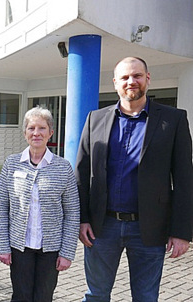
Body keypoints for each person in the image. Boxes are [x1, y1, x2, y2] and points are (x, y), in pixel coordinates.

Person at [75, 56, 193, 301]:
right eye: (125, 77)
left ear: (148, 79)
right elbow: (81, 174)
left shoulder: (173, 120)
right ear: (115, 83)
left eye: (137, 75)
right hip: (102, 227)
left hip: (149, 228)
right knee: (96, 295)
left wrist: (182, 232)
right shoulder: (94, 119)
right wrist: (82, 219)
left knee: (146, 296)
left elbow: (184, 179)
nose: (132, 81)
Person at [0, 107, 80, 302]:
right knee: (21, 296)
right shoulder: (11, 164)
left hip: (50, 250)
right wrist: (3, 246)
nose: (36, 133)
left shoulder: (63, 167)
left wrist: (67, 252)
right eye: (31, 128)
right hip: (19, 247)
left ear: (50, 132)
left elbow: (72, 213)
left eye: (42, 128)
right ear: (25, 133)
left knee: (43, 297)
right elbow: (0, 208)